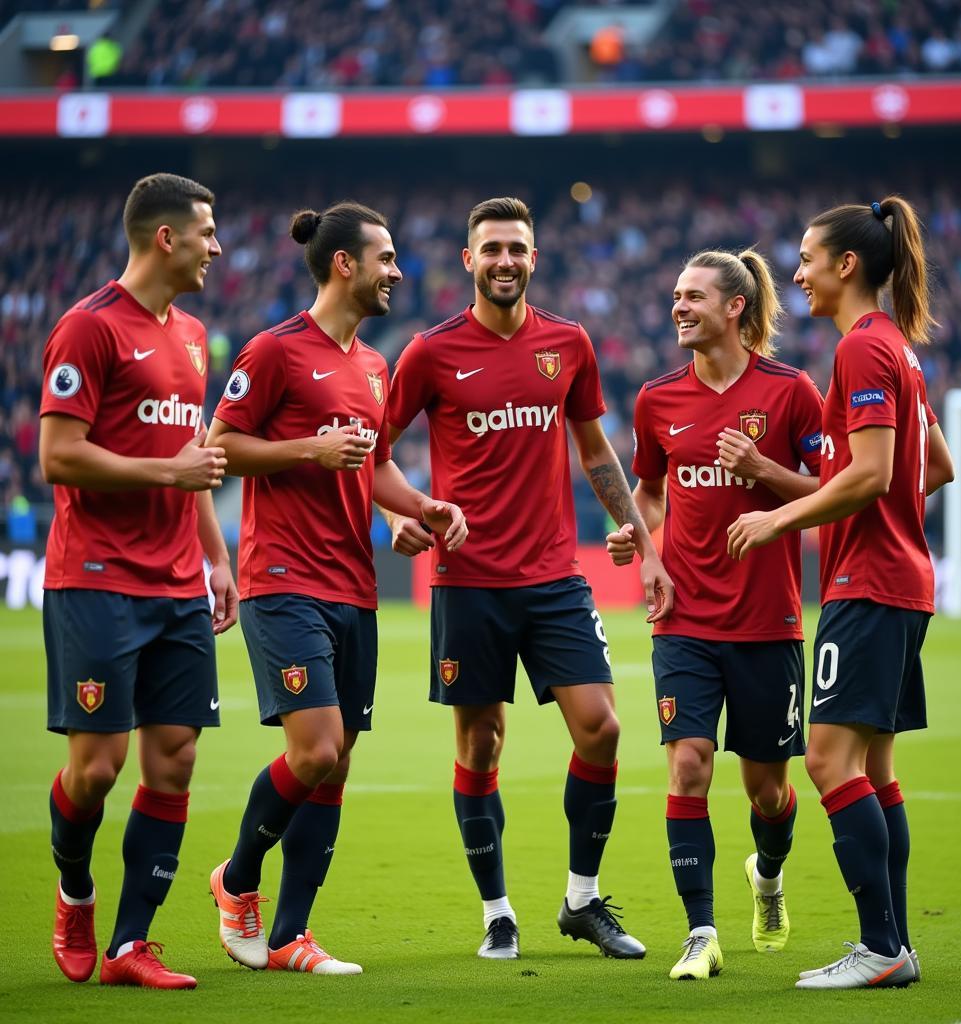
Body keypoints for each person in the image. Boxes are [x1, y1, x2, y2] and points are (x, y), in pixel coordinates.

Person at [385, 196, 673, 961]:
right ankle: (497, 912)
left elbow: (596, 451)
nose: (505, 261)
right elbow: (371, 450)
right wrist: (400, 515)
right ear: (468, 261)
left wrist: (645, 544)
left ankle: (582, 901)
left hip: (554, 576)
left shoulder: (569, 343)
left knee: (603, 728)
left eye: (517, 248)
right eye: (492, 249)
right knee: (481, 744)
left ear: (533, 259)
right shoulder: (428, 352)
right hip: (467, 580)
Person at [206, 201, 467, 976]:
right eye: (386, 258)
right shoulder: (276, 350)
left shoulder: (372, 364)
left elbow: (374, 462)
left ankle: (290, 937)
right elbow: (220, 446)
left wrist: (421, 506)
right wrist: (307, 449)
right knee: (314, 749)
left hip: (355, 580)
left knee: (338, 761)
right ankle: (236, 880)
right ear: (345, 263)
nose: (398, 271)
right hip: (283, 576)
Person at [727, 197, 955, 989]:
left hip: (868, 584)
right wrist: (863, 502)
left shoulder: (862, 350)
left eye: (806, 258)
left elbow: (872, 473)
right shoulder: (899, 349)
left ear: (845, 266)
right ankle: (895, 943)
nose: (796, 273)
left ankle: (881, 947)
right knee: (876, 769)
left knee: (825, 761)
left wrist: (778, 514)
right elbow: (938, 467)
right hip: (904, 580)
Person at [39, 172, 237, 990]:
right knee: (96, 769)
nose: (217, 247)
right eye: (207, 232)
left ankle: (130, 945)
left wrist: (217, 558)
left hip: (176, 584)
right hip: (95, 577)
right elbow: (59, 454)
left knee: (176, 760)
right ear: (166, 238)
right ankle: (75, 890)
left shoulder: (192, 335)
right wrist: (168, 474)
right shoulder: (86, 330)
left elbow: (190, 455)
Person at [606, 249, 824, 980]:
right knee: (689, 766)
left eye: (693, 296)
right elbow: (649, 493)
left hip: (767, 624)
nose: (678, 307)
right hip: (684, 620)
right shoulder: (657, 398)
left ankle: (766, 874)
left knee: (769, 791)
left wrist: (763, 472)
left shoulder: (791, 393)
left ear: (735, 307)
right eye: (675, 295)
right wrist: (646, 553)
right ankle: (700, 932)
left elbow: (834, 491)